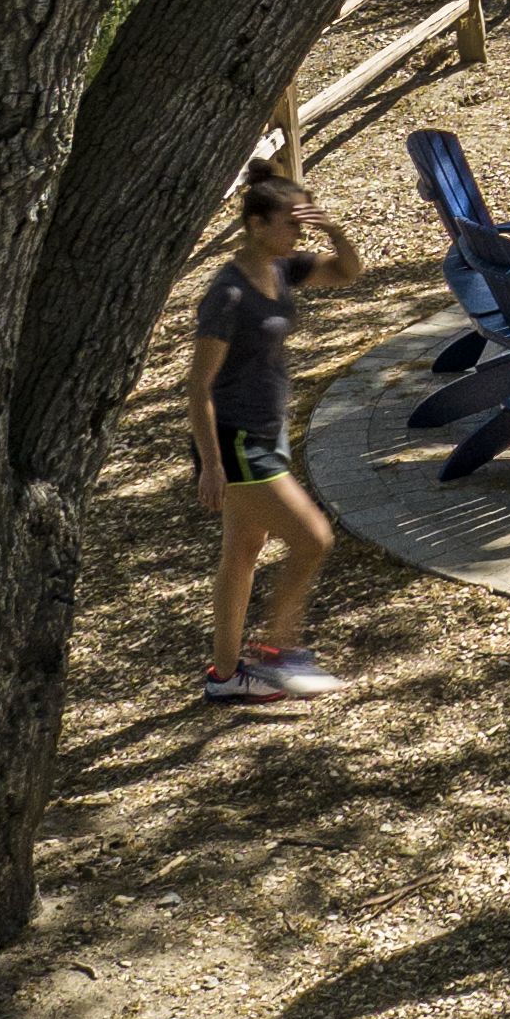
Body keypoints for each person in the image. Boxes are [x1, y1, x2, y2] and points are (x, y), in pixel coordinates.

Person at [186, 169, 362, 706]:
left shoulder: (281, 270)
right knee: (314, 538)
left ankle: (224, 675)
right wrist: (212, 465)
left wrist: (333, 230)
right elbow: (198, 385)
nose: (299, 235)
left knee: (242, 550)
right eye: (291, 224)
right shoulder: (230, 293)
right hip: (236, 440)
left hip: (266, 430)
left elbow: (349, 272)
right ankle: (278, 652)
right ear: (256, 223)